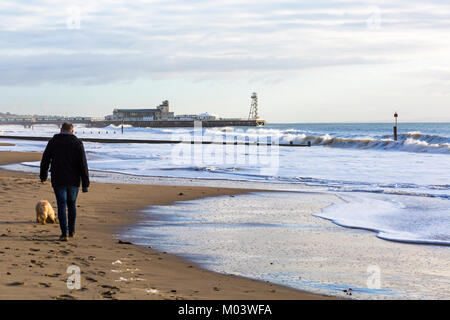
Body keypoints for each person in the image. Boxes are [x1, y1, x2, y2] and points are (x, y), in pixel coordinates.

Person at [40, 122, 89, 241]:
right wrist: (85, 183)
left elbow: (45, 159)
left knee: (61, 205)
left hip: (58, 178)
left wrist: (43, 175)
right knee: (71, 205)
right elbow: (83, 164)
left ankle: (64, 233)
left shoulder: (53, 142)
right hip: (74, 180)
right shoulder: (77, 143)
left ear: (61, 130)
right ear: (72, 131)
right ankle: (71, 231)